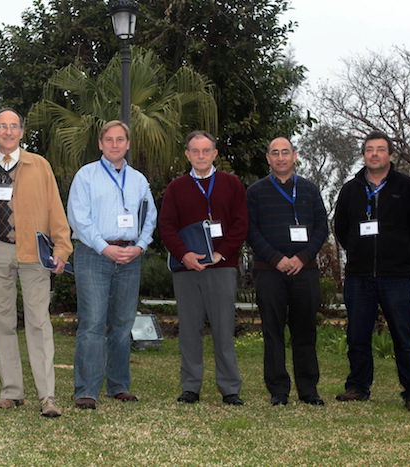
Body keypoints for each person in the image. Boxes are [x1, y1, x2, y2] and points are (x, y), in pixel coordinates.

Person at [0, 108, 71, 418]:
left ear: (22, 132)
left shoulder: (39, 166)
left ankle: (47, 396)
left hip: (32, 251)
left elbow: (54, 207)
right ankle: (11, 392)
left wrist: (62, 247)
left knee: (38, 322)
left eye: (14, 126)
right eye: (2, 126)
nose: (8, 131)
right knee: (1, 323)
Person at [333, 130, 410, 412]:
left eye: (380, 149)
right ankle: (357, 387)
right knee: (357, 335)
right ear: (363, 155)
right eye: (369, 149)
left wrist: (406, 256)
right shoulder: (351, 189)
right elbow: (341, 229)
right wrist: (356, 251)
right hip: (359, 276)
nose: (374, 154)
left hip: (397, 276)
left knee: (404, 335)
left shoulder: (408, 188)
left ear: (390, 155)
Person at [67, 120, 157, 410]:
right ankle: (87, 390)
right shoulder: (86, 176)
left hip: (129, 257)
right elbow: (79, 217)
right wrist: (104, 247)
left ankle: (119, 385)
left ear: (128, 144)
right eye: (109, 139)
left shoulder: (139, 180)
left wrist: (140, 246)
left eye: (120, 139)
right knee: (92, 324)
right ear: (100, 144)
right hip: (94, 255)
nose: (115, 144)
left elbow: (149, 216)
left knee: (122, 325)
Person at [159, 130, 247, 406]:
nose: (200, 156)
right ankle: (191, 387)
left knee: (223, 328)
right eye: (195, 151)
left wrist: (221, 254)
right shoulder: (176, 187)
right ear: (187, 154)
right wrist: (184, 255)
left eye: (206, 150)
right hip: (187, 269)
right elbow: (167, 227)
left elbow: (241, 224)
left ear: (215, 154)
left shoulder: (231, 184)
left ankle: (230, 388)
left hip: (222, 266)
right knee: (189, 329)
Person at [246, 137, 328, 406]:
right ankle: (278, 390)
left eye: (285, 152)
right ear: (268, 158)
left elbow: (321, 229)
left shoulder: (310, 189)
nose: (280, 157)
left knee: (305, 331)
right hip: (269, 271)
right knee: (273, 332)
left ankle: (308, 390)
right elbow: (251, 231)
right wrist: (276, 258)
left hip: (305, 271)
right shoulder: (256, 192)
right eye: (275, 153)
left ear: (295, 156)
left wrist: (302, 258)